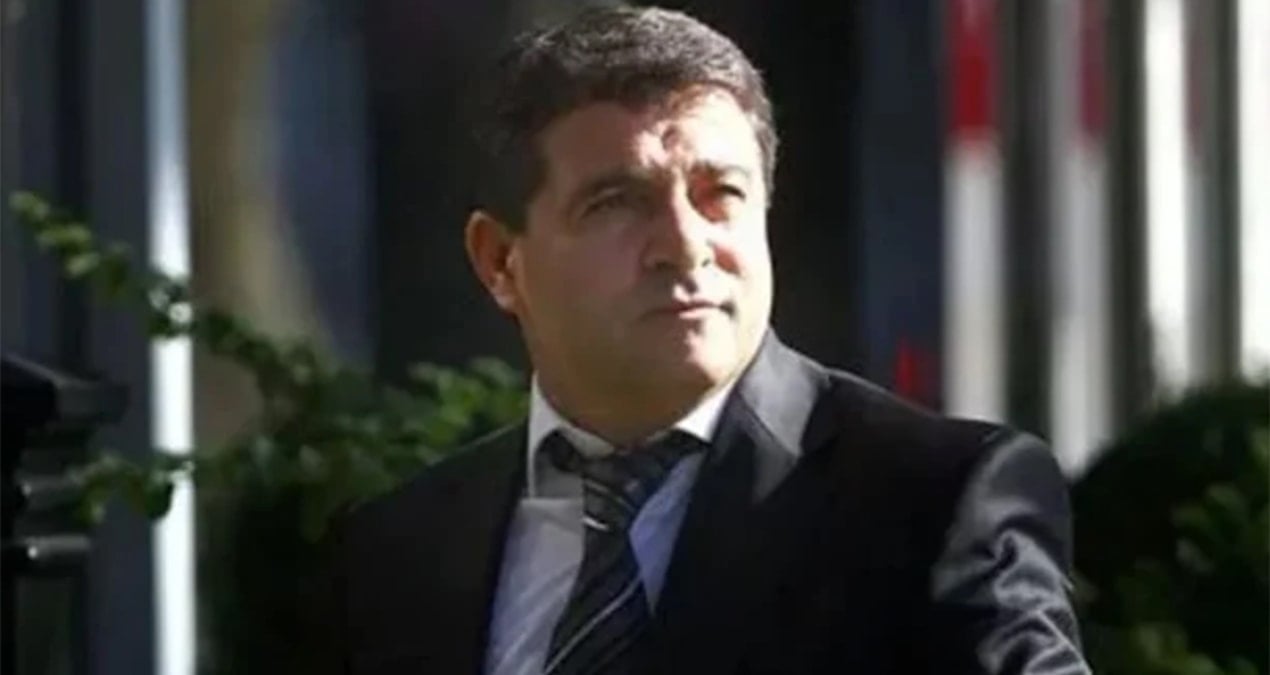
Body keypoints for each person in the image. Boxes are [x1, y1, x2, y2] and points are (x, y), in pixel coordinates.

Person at [313, 6, 1090, 674]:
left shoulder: (931, 504)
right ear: (498, 261)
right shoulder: (397, 550)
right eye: (616, 202)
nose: (685, 246)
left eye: (721, 194)